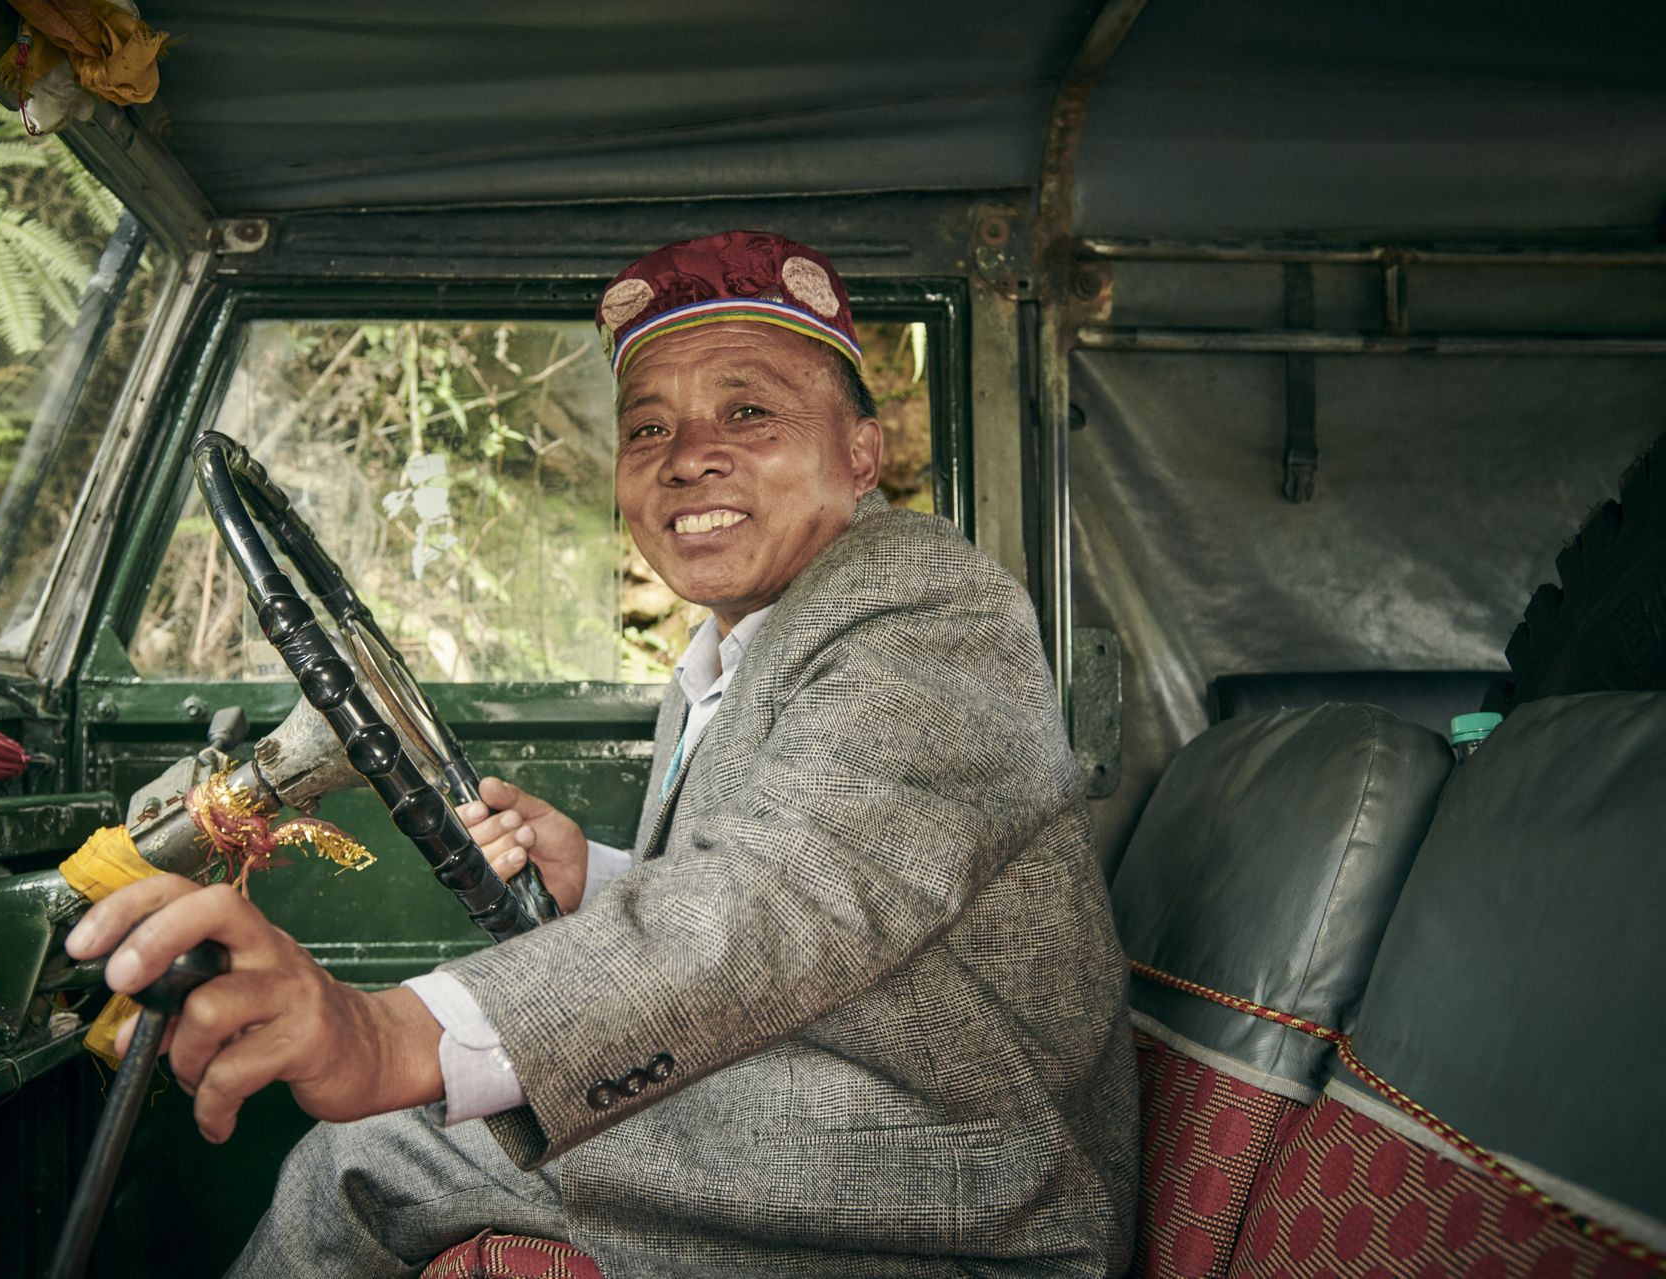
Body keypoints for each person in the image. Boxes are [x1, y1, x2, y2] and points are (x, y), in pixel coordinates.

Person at [67, 231, 1138, 1277]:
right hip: (832, 1091)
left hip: (964, 1181)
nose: (688, 456)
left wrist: (388, 1035)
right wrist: (600, 877)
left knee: (372, 1154)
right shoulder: (736, 647)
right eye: (648, 427)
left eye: (749, 412)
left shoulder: (925, 610)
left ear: (861, 455)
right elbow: (805, 890)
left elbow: (784, 897)